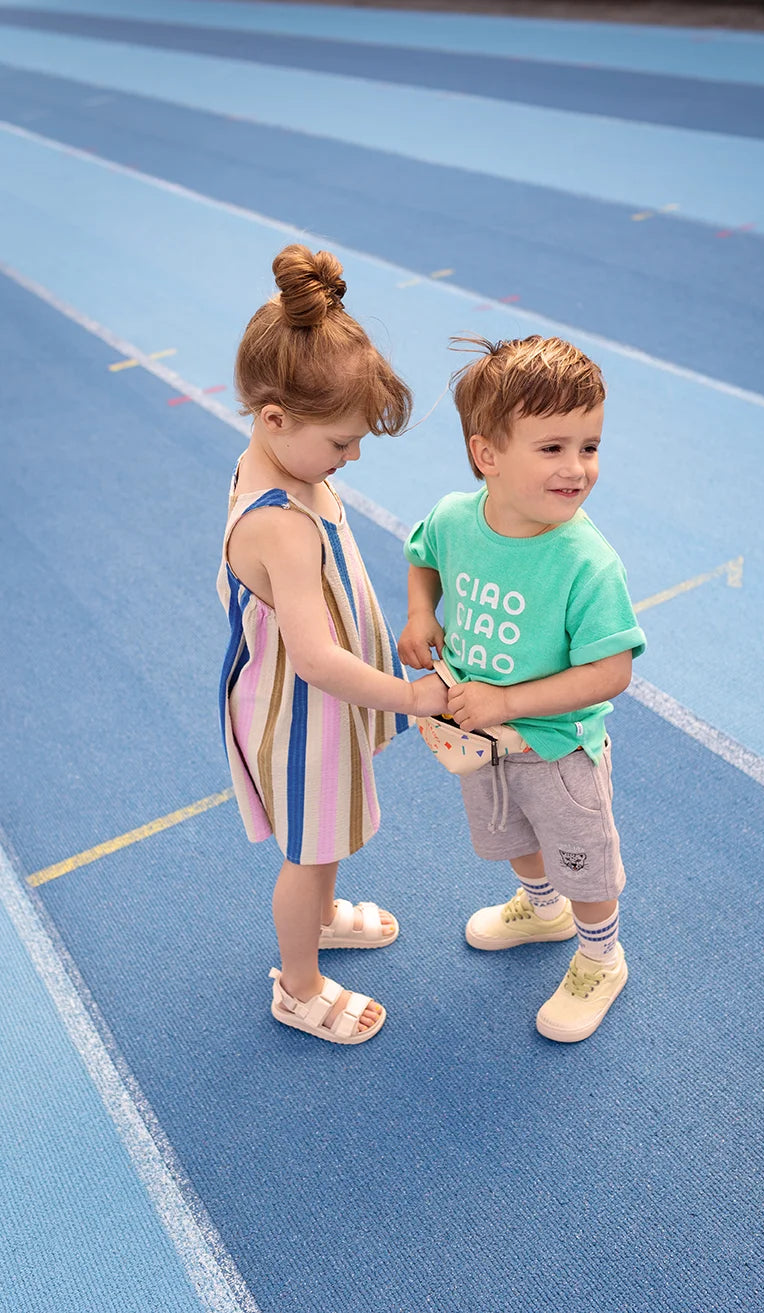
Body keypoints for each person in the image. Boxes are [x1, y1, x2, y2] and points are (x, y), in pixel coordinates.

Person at [217, 244, 446, 1046]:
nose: (350, 459)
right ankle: (299, 983)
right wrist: (411, 696)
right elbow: (313, 658)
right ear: (276, 417)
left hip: (319, 699)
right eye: (342, 443)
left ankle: (318, 920)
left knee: (331, 829)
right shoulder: (277, 517)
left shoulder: (278, 456)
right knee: (310, 849)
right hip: (299, 706)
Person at [399, 335, 646, 1043]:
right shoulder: (457, 517)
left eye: (589, 446)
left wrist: (506, 701)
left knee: (583, 858)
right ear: (488, 456)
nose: (578, 469)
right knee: (511, 837)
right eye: (553, 448)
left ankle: (601, 955)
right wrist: (422, 612)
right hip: (480, 741)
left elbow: (612, 672)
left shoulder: (586, 562)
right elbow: (423, 553)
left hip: (556, 745)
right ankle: (542, 908)